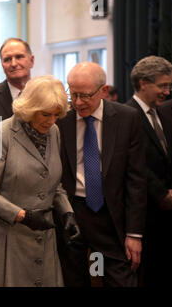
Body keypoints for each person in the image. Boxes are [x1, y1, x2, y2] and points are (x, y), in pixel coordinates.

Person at [0, 75, 80, 287]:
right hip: (4, 238)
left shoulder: (53, 132)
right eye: (45, 114)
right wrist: (22, 216)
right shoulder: (0, 134)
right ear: (30, 108)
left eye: (57, 115)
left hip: (43, 236)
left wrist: (67, 212)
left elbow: (53, 183)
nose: (51, 120)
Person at [57, 62, 147, 287]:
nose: (78, 102)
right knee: (75, 279)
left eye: (85, 96)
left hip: (111, 214)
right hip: (72, 212)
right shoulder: (60, 118)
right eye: (73, 94)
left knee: (119, 278)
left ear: (103, 91)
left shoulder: (127, 118)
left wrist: (134, 233)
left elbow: (136, 179)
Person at [126, 55, 172, 286]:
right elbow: (134, 165)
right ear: (143, 83)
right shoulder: (125, 116)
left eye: (169, 86)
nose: (167, 92)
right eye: (163, 86)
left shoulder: (163, 113)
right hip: (145, 218)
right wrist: (162, 195)